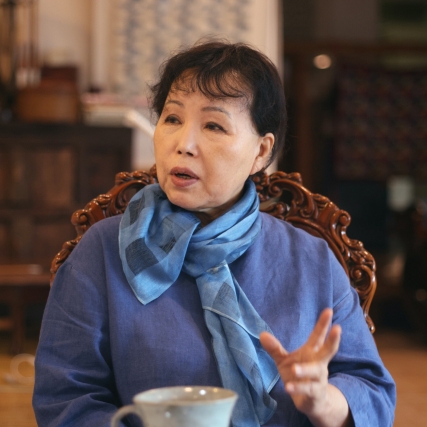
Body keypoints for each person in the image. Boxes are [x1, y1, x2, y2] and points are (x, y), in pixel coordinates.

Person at [32, 41, 396, 427]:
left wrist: (322, 400)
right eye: (172, 119)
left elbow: (372, 394)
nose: (183, 145)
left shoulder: (313, 261)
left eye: (213, 125)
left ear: (261, 151)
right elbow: (65, 399)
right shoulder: (102, 252)